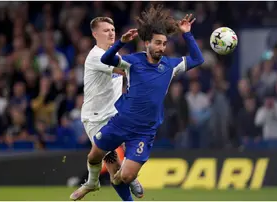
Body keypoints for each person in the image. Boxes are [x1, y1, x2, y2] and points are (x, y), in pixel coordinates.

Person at [72, 4, 204, 200]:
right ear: (147, 43)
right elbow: (109, 59)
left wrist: (186, 34)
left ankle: (124, 180)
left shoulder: (170, 65)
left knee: (123, 175)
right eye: (157, 43)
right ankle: (94, 183)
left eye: (164, 44)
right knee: (96, 157)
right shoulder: (131, 61)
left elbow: (197, 59)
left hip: (144, 130)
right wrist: (121, 43)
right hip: (118, 121)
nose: (161, 48)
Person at [69, 17, 143, 201]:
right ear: (95, 34)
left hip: (115, 115)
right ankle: (93, 182)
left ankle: (124, 177)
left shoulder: (115, 55)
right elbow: (121, 69)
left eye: (112, 29)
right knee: (111, 165)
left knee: (132, 143)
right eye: (106, 30)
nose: (111, 32)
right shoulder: (95, 57)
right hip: (95, 118)